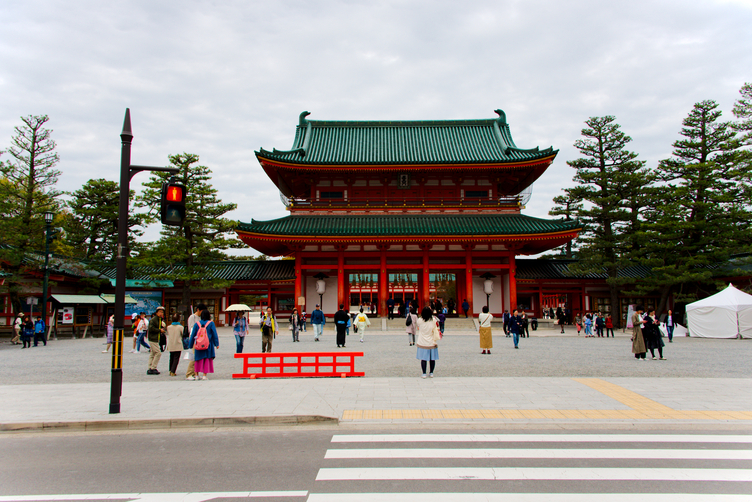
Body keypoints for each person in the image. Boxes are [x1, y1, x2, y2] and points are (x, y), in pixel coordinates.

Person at [189, 309, 219, 380]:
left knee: (197, 359)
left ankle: (196, 375)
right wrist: (216, 343)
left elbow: (193, 334)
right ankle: (204, 375)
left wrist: (190, 344)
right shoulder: (211, 323)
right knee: (206, 359)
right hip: (208, 344)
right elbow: (214, 334)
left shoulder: (197, 324)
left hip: (198, 344)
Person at [416, 306, 440, 378]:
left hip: (422, 341)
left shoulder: (420, 320)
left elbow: (418, 326)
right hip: (431, 341)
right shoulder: (433, 320)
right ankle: (431, 372)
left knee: (423, 359)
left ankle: (424, 373)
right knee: (432, 359)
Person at [185, 303, 206, 380]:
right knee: (194, 357)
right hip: (194, 339)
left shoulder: (201, 318)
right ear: (198, 310)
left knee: (198, 358)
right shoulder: (192, 317)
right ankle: (189, 373)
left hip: (200, 340)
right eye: (202, 311)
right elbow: (191, 329)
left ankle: (195, 373)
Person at [146, 306, 166, 375]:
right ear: (157, 312)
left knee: (152, 353)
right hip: (153, 338)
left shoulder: (159, 319)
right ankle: (153, 367)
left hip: (156, 338)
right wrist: (159, 330)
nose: (161, 313)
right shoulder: (154, 319)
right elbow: (151, 328)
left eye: (162, 312)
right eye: (160, 312)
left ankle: (150, 367)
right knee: (158, 353)